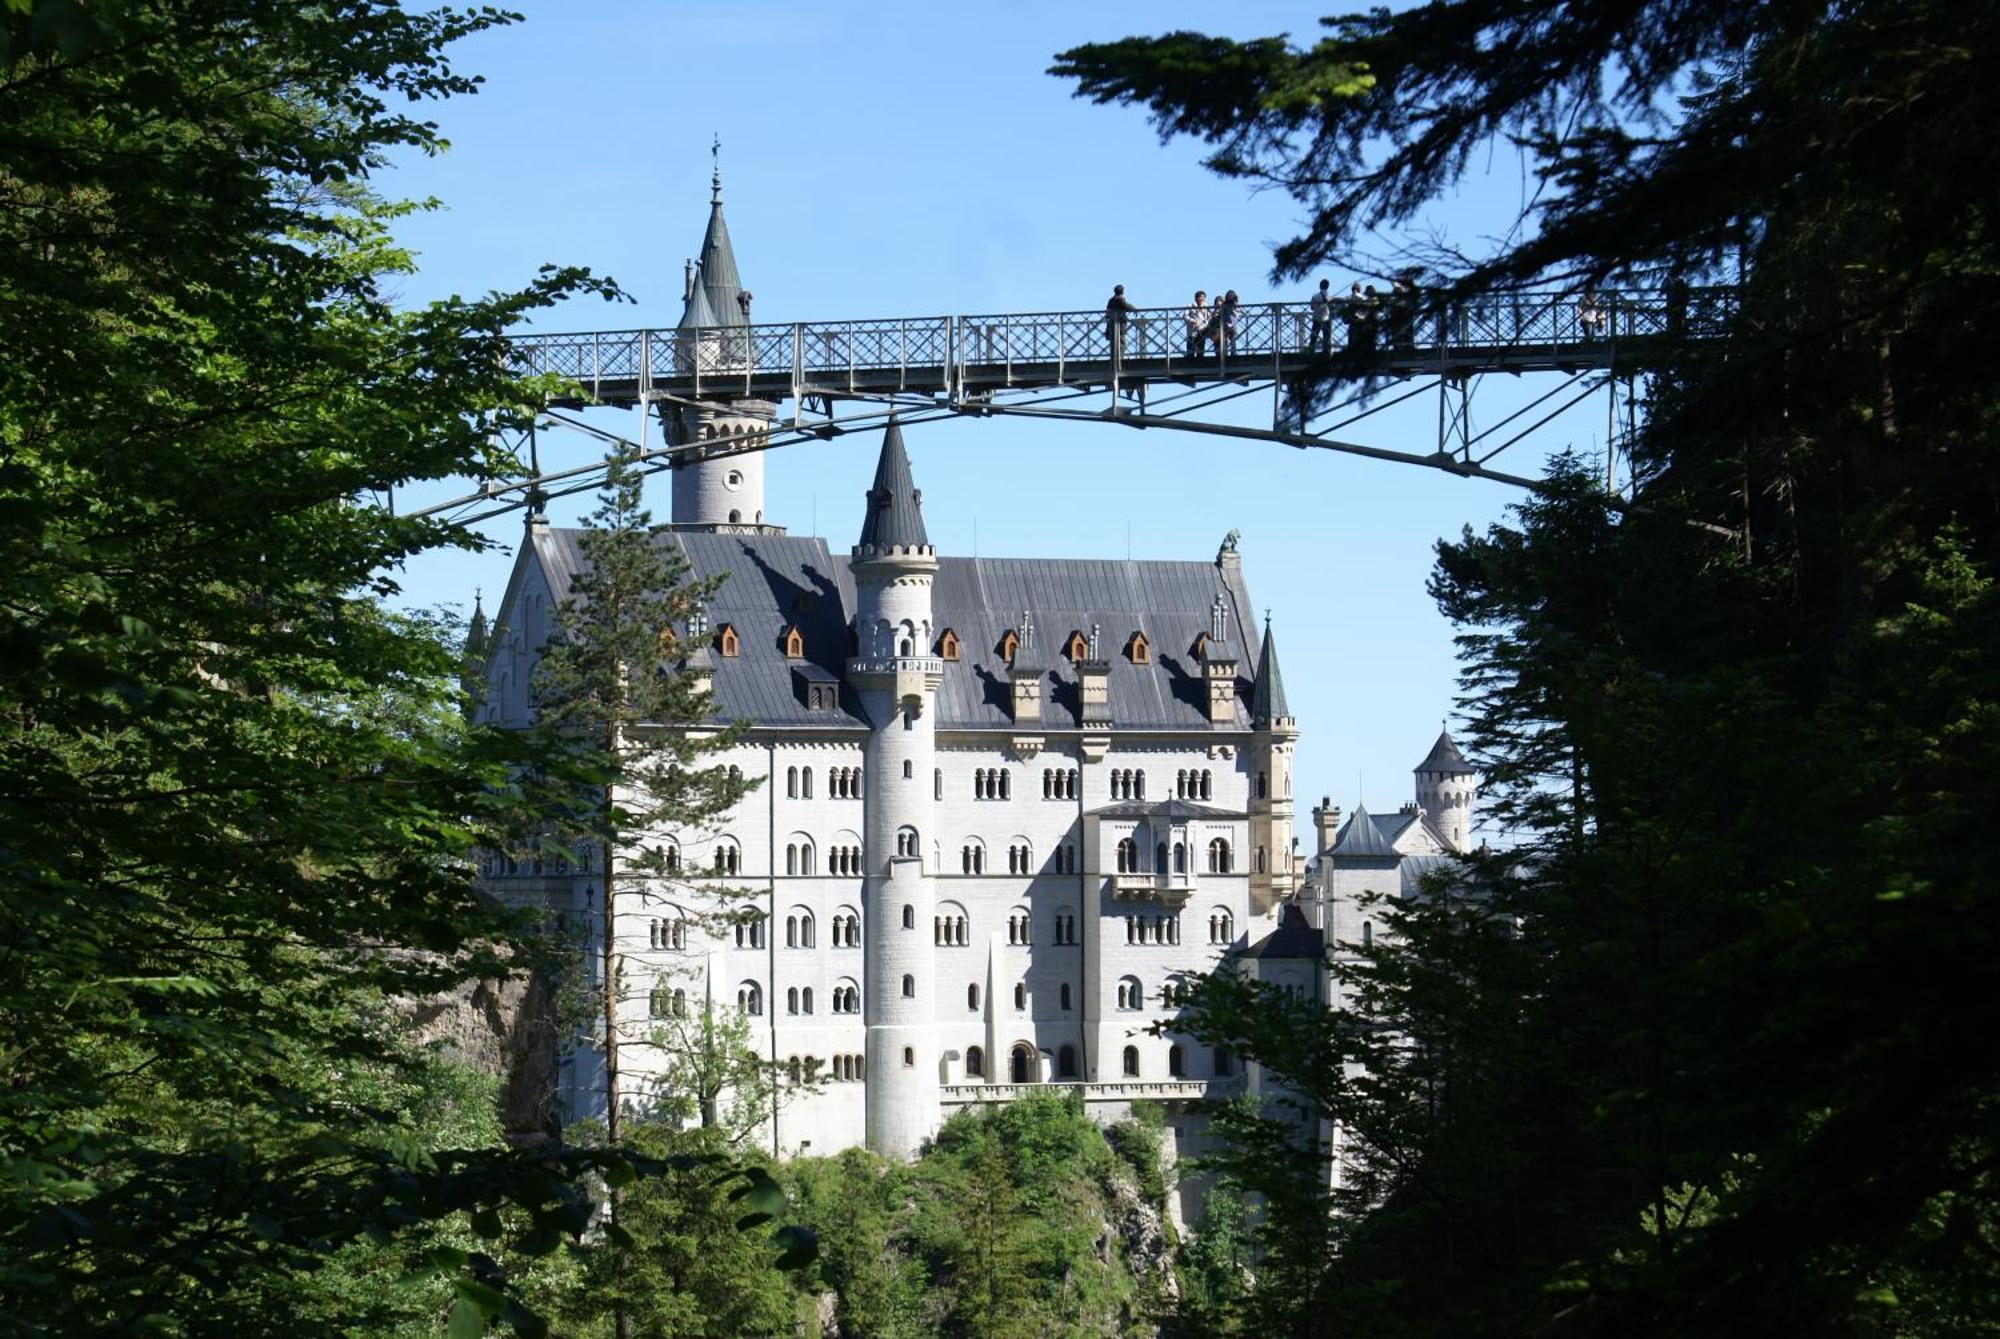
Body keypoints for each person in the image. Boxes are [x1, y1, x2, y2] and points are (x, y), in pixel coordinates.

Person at [1105, 284, 1135, 364]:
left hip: (1111, 324)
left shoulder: (1111, 300)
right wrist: (1135, 309)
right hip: (1119, 325)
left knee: (1113, 343)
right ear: (1122, 292)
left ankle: (1113, 358)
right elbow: (1127, 306)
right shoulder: (1120, 299)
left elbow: (1107, 312)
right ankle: (1120, 359)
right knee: (1122, 343)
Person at [1183, 290, 1211, 358]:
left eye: (1203, 298)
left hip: (1202, 330)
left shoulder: (1207, 306)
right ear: (1196, 298)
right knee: (1190, 350)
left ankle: (1200, 361)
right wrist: (1192, 321)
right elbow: (1185, 316)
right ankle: (1190, 361)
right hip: (1192, 331)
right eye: (1200, 297)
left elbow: (1210, 317)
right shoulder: (1190, 306)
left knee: (1201, 350)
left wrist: (1206, 324)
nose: (1201, 299)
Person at [1309, 278, 1333, 354]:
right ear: (1328, 287)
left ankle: (1311, 350)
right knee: (1327, 335)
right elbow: (1332, 308)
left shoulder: (1315, 296)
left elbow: (1312, 307)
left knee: (1314, 336)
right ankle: (1326, 350)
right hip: (1327, 318)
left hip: (1317, 317)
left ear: (1320, 286)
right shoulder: (1330, 297)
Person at [1217, 289, 1240, 356]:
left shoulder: (1235, 304)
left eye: (1231, 296)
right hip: (1225, 323)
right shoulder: (1224, 304)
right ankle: (1225, 353)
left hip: (1233, 323)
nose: (1230, 297)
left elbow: (1238, 312)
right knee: (1225, 339)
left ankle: (1233, 352)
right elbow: (1222, 313)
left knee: (1233, 338)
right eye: (1229, 296)